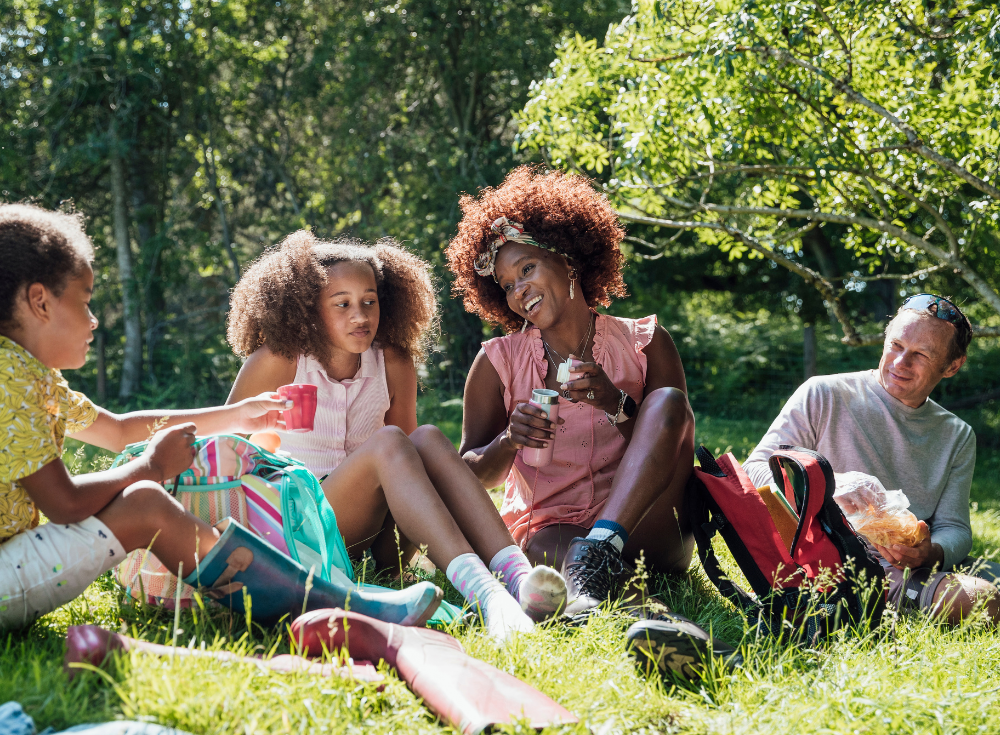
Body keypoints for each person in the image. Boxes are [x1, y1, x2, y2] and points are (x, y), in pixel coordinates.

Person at [0, 203, 447, 632]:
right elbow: (64, 503)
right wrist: (151, 467)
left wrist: (236, 415)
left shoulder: (32, 375)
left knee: (145, 502)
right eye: (85, 302)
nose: (95, 321)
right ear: (39, 302)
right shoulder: (10, 379)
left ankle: (304, 595)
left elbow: (117, 430)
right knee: (145, 501)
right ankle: (322, 602)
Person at [225, 230, 566, 640]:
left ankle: (518, 577)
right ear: (309, 310)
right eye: (343, 304)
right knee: (390, 442)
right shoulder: (279, 362)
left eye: (370, 301)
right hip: (299, 535)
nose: (361, 315)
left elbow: (411, 459)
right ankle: (488, 595)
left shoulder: (392, 362)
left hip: (377, 538)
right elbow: (224, 453)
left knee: (423, 438)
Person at [447, 166, 697, 618]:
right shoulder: (496, 363)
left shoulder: (645, 342)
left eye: (527, 269)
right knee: (547, 546)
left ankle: (601, 553)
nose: (519, 291)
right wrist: (510, 440)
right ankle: (633, 606)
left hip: (649, 528)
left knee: (667, 402)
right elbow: (469, 473)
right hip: (556, 529)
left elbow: (674, 444)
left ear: (568, 261)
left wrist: (614, 402)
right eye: (506, 286)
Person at [744, 295, 1000, 625]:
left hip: (910, 563)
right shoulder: (824, 393)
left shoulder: (957, 434)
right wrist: (825, 488)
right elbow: (754, 471)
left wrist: (930, 552)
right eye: (896, 345)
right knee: (984, 602)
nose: (901, 362)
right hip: (834, 559)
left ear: (952, 366)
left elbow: (955, 528)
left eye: (921, 354)